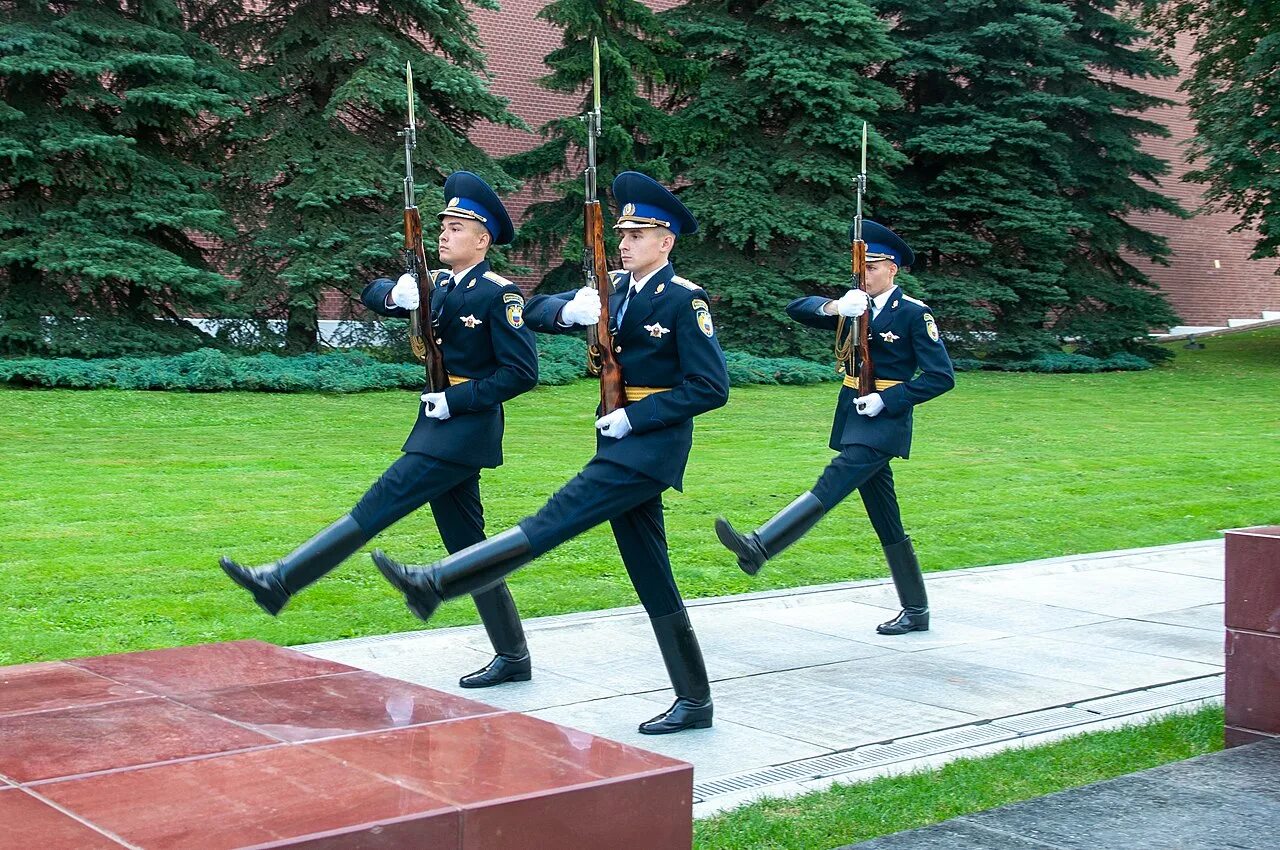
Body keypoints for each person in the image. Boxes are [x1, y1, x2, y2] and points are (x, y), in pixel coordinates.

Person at [373, 172, 730, 734]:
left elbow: (711, 387)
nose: (626, 241)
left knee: (555, 518)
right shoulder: (613, 289)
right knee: (650, 570)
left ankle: (437, 580)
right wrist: (570, 313)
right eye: (624, 233)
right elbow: (533, 309)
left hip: (648, 447)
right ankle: (695, 700)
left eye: (639, 234)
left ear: (666, 242)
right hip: (617, 439)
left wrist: (637, 415)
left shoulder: (686, 301)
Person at [219, 172, 540, 688]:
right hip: (439, 425)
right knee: (467, 546)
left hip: (461, 430)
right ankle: (514, 654)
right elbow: (372, 292)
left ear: (482, 240)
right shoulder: (436, 284)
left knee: (379, 504)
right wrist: (398, 293)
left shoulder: (498, 295)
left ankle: (281, 580)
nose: (444, 233)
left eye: (457, 227)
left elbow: (522, 373)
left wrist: (454, 400)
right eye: (443, 225)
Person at [714, 221, 954, 635]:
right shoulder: (855, 307)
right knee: (886, 517)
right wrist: (835, 308)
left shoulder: (914, 314)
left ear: (892, 269)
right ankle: (916, 610)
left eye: (872, 267)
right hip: (852, 415)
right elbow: (796, 308)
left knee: (837, 477)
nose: (863, 276)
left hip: (885, 420)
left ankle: (761, 544)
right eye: (859, 268)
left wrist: (889, 399)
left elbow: (941, 376)